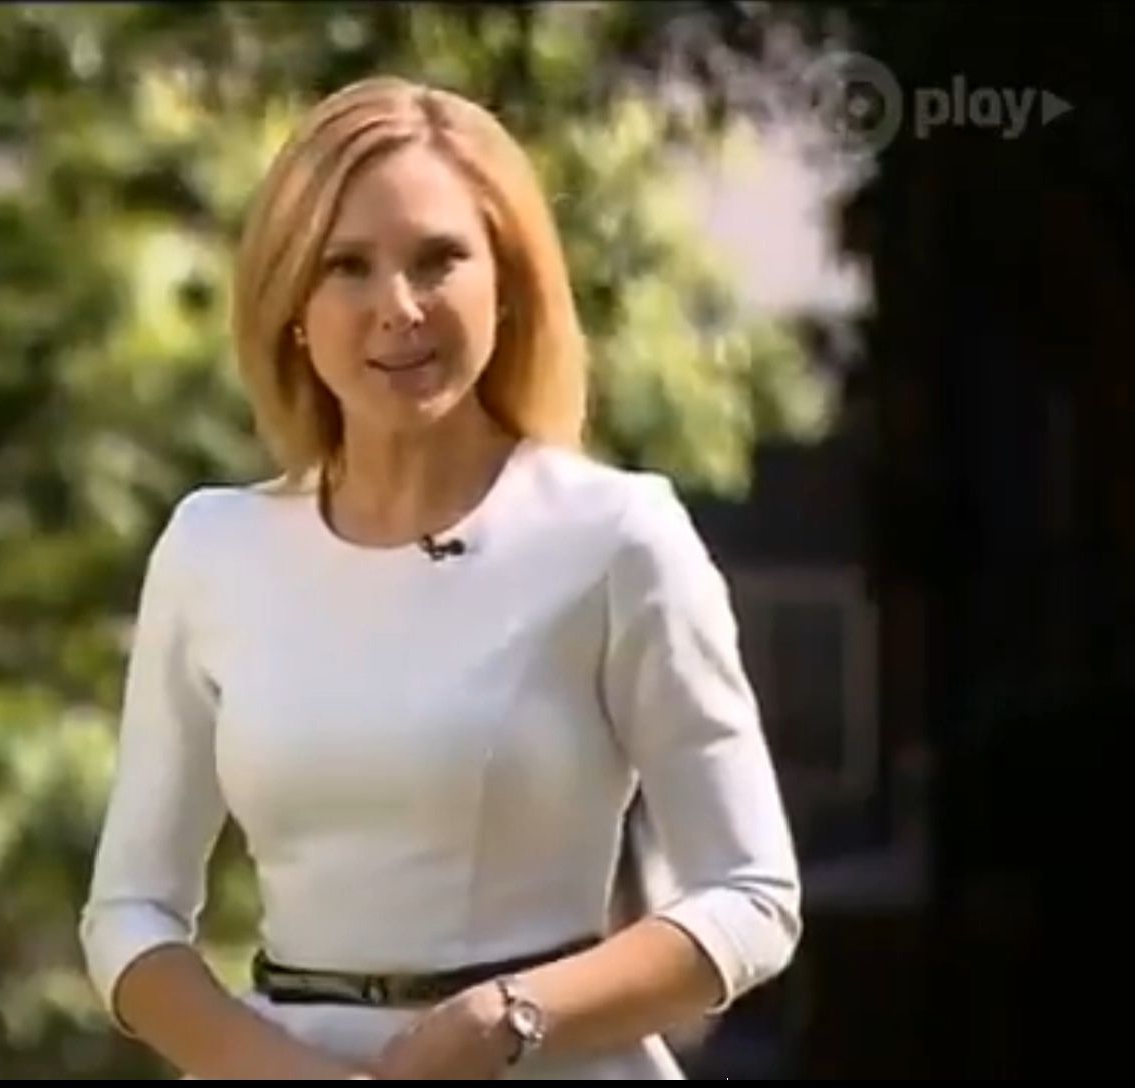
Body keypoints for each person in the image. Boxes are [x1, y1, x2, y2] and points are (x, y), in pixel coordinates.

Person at [75, 74, 803, 1080]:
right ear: (292, 304)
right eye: (347, 266)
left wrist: (505, 1016)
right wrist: (280, 1071)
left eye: (437, 259)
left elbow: (750, 896)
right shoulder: (212, 547)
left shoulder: (616, 535)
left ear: (505, 283)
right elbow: (128, 913)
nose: (398, 307)